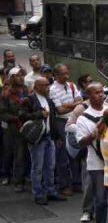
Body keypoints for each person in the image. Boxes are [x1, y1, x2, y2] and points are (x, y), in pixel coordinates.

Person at [76, 83, 108, 223]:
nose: (101, 95)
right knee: (100, 199)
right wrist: (95, 133)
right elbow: (81, 142)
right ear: (89, 96)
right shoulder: (83, 118)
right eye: (97, 93)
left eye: (102, 92)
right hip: (96, 164)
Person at [24, 76, 67, 204]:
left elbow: (52, 119)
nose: (48, 88)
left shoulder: (48, 100)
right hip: (37, 138)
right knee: (37, 167)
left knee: (50, 165)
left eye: (48, 85)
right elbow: (22, 115)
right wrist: (38, 114)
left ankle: (50, 191)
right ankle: (38, 193)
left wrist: (57, 136)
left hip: (49, 136)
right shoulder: (30, 99)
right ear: (37, 86)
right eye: (45, 85)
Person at [49, 64, 84, 195]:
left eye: (67, 73)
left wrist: (69, 105)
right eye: (63, 73)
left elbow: (80, 101)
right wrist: (74, 105)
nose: (66, 76)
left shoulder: (72, 86)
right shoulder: (52, 89)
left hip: (74, 120)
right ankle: (63, 185)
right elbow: (60, 110)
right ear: (56, 75)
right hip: (61, 122)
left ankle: (76, 183)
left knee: (75, 151)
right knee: (63, 154)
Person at [0, 67, 30, 192]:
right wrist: (16, 118)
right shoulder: (5, 94)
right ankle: (9, 176)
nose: (21, 77)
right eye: (18, 76)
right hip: (12, 129)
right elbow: (2, 114)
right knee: (11, 154)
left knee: (23, 155)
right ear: (11, 78)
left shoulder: (27, 91)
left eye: (22, 75)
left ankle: (21, 179)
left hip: (27, 126)